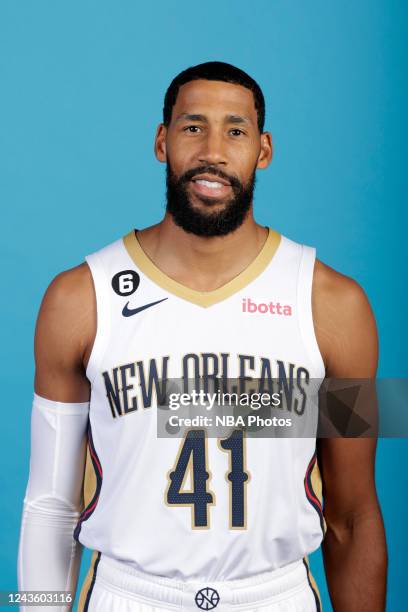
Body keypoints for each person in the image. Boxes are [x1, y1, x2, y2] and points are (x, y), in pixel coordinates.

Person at [18, 61, 387, 612]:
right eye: (193, 126)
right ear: (161, 141)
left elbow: (353, 516)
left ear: (263, 150)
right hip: (129, 593)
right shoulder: (77, 298)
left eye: (235, 130)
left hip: (275, 594)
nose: (213, 149)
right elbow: (50, 503)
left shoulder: (338, 306)